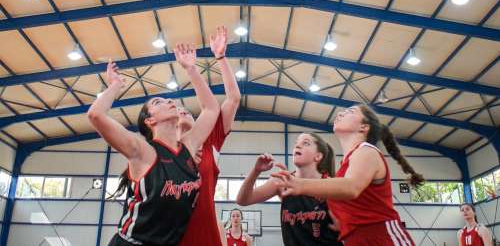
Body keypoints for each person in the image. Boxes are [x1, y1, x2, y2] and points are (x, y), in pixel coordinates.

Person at [88, 44, 220, 246]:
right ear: (150, 120)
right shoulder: (143, 151)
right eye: (158, 102)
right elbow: (95, 115)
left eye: (168, 100)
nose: (169, 101)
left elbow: (211, 109)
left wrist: (191, 69)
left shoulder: (187, 147)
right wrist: (115, 85)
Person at [273, 104, 424, 246]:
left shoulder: (367, 151)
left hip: (382, 237)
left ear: (364, 127)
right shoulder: (345, 168)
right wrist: (343, 224)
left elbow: (351, 187)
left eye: (350, 111)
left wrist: (299, 184)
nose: (340, 113)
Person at [178, 26, 241, 246]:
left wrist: (220, 57)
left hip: (205, 231)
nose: (182, 111)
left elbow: (233, 98)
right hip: (171, 231)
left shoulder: (210, 140)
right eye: (178, 110)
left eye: (187, 111)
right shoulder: (165, 150)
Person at [237, 133, 341, 246]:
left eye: (306, 143)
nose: (298, 146)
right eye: (296, 143)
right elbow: (243, 200)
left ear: (318, 156)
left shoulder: (330, 185)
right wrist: (256, 171)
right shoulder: (282, 181)